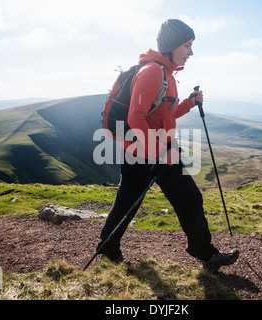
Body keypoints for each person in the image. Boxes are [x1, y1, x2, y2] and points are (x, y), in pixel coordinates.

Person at [97, 19, 239, 273]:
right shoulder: (152, 72)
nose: (191, 52)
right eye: (187, 45)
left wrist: (189, 103)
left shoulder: (168, 74)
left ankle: (206, 254)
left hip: (163, 152)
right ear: (172, 46)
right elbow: (135, 118)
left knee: (189, 199)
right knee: (128, 203)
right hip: (142, 154)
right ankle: (108, 248)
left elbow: (165, 115)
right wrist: (162, 152)